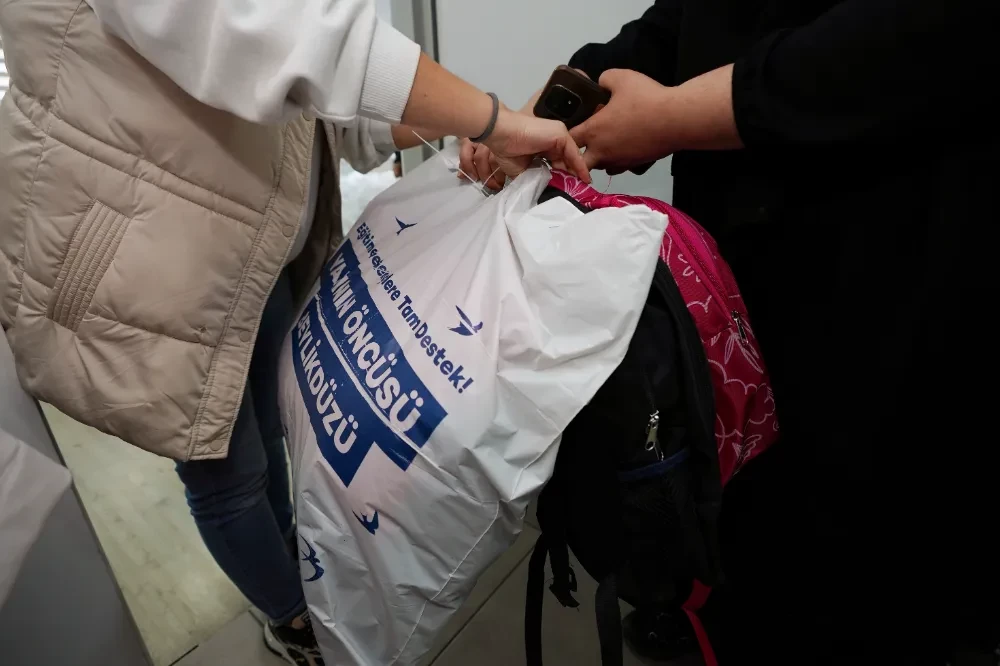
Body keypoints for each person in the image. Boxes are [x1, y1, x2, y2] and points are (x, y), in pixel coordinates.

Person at [0, 2, 589, 664]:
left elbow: (319, 111)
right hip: (157, 258)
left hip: (256, 251)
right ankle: (292, 618)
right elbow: (278, 38)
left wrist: (465, 123)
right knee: (226, 474)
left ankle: (287, 557)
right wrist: (489, 117)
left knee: (272, 427)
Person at [460, 1, 999, 663]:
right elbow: (689, 18)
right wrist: (548, 110)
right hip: (738, 278)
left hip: (882, 272)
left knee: (866, 566)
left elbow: (910, 41)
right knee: (735, 513)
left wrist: (673, 116)